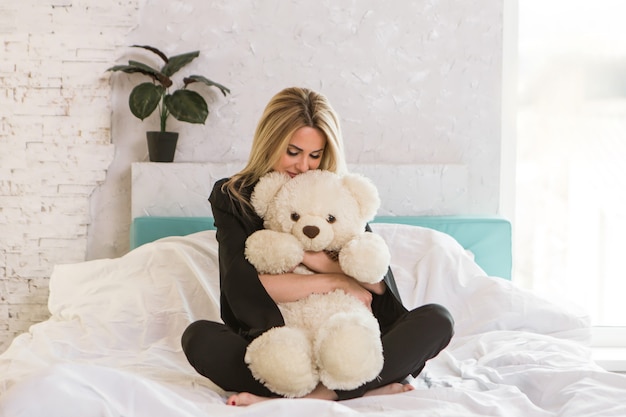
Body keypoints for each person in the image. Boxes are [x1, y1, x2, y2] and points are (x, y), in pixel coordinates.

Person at [181, 87, 454, 406]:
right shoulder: (234, 195)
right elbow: (244, 289)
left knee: (438, 319)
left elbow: (378, 286)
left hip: (347, 343)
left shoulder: (335, 192)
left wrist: (320, 263)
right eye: (293, 152)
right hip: (277, 342)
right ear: (271, 142)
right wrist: (335, 280)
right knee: (198, 337)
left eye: (315, 155)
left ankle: (316, 394)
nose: (304, 166)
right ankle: (354, 389)